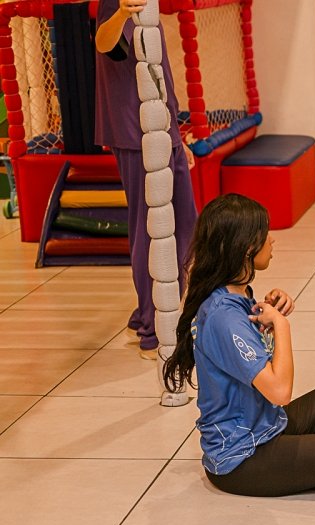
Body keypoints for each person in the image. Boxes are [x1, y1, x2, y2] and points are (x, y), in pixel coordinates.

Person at [163, 194, 315, 497]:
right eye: (265, 234)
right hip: (243, 459)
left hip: (269, 425)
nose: (272, 240)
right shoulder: (224, 317)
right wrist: (282, 326)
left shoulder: (235, 294)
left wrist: (268, 312)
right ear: (246, 248)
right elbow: (280, 391)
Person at [95, 0, 197, 357]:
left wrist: (177, 135)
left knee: (186, 222)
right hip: (135, 133)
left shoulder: (148, 8)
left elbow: (158, 74)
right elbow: (104, 43)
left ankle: (148, 313)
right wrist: (121, 13)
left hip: (162, 129)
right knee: (151, 227)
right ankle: (152, 326)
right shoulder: (117, 5)